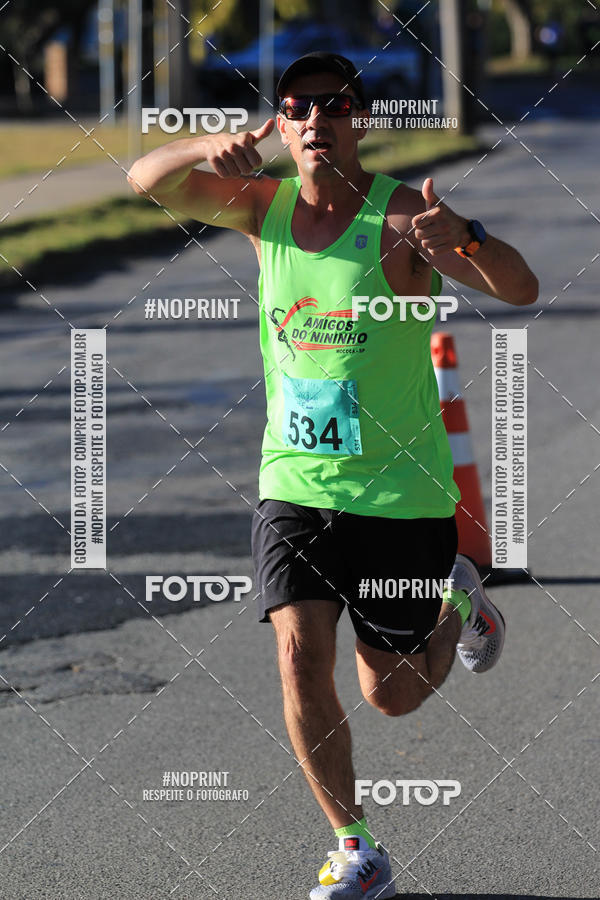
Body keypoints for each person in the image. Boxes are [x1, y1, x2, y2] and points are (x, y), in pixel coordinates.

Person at [128, 52, 538, 900]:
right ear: (283, 126)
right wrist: (214, 145)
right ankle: (355, 846)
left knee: (391, 696)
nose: (316, 119)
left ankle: (455, 597)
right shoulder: (261, 206)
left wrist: (462, 234)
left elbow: (522, 288)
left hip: (402, 494)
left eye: (335, 105)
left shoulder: (402, 221)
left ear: (359, 122)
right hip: (294, 485)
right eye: (297, 108)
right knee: (296, 655)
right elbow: (144, 177)